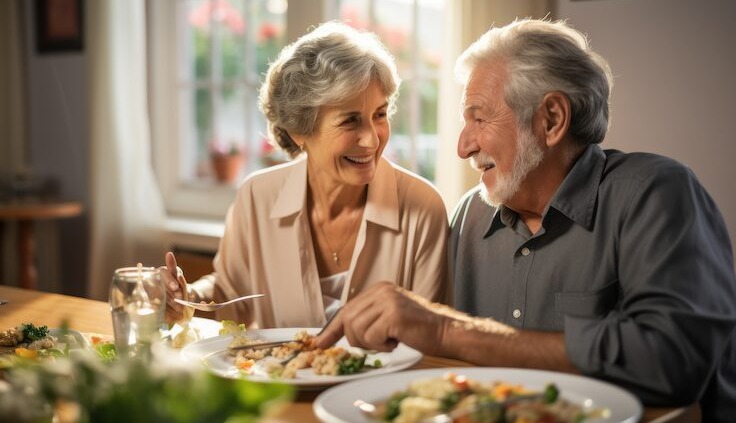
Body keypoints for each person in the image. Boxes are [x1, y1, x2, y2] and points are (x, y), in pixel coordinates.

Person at [315, 18, 736, 420]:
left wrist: (448, 331)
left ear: (551, 119)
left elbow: (672, 362)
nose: (463, 146)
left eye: (478, 118)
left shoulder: (654, 194)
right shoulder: (470, 216)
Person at [162, 21, 449, 328]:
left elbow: (430, 338)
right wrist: (185, 298)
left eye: (379, 114)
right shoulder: (257, 197)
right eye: (350, 121)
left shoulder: (422, 208)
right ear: (299, 129)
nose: (372, 139)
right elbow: (230, 293)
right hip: (278, 377)